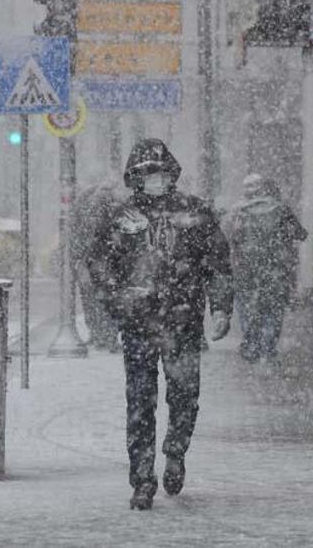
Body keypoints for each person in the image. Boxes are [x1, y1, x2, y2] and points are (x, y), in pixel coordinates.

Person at [88, 138, 233, 510]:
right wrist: (117, 301)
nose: (155, 179)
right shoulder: (119, 217)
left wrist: (221, 308)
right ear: (135, 178)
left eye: (161, 172)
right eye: (146, 173)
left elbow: (216, 264)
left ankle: (175, 452)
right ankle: (141, 477)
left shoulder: (195, 213)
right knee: (140, 400)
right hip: (138, 325)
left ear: (172, 174)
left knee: (184, 395)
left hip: (183, 323)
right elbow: (100, 265)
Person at [227, 174, 307, 363]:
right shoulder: (281, 209)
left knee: (246, 307)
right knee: (273, 309)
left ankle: (251, 344)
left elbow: (229, 238)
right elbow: (301, 234)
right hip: (275, 269)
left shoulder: (238, 211)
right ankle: (268, 348)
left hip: (244, 269)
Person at [72, 181, 122, 351]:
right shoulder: (105, 209)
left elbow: (82, 235)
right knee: (100, 299)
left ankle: (102, 335)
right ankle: (104, 335)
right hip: (99, 261)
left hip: (98, 261)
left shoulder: (89, 208)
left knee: (96, 299)